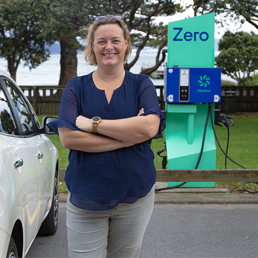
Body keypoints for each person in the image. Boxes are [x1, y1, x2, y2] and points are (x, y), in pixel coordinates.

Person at [48, 15, 166, 258]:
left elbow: (149, 129)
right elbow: (69, 139)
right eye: (101, 41)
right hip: (87, 198)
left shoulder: (142, 84)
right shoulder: (75, 87)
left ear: (125, 44)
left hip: (135, 197)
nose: (108, 47)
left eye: (115, 40)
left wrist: (93, 125)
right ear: (92, 46)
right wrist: (132, 134)